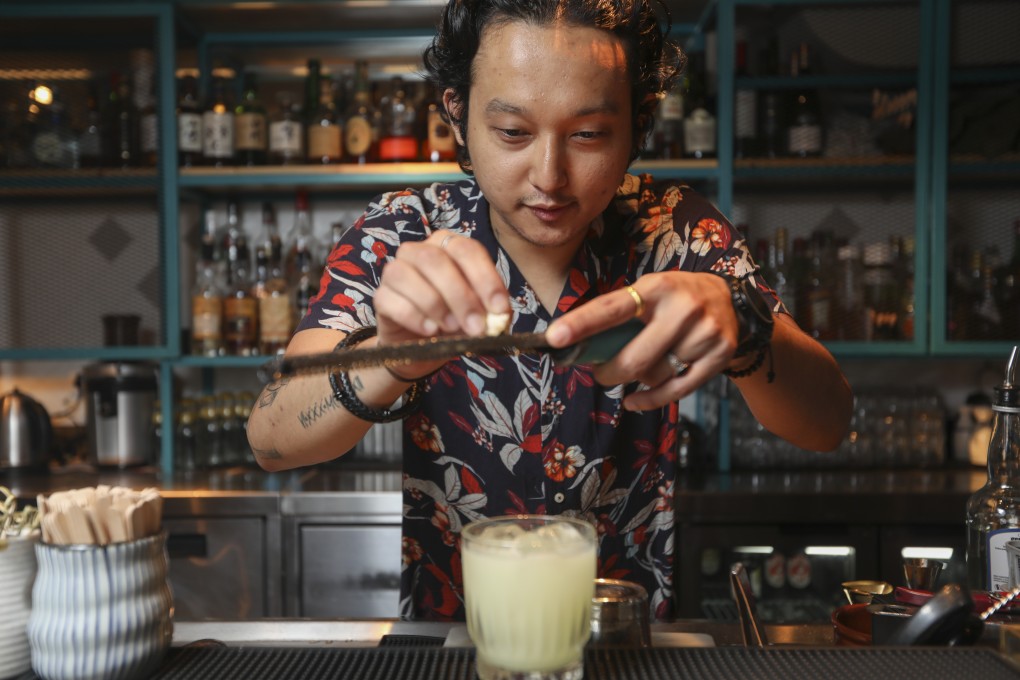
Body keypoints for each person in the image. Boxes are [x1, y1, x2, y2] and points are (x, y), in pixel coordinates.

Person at [247, 0, 853, 621]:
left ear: (639, 122)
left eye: (588, 135)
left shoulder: (677, 232)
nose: (549, 177)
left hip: (624, 636)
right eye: (513, 132)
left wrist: (746, 325)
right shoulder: (402, 230)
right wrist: (392, 358)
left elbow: (828, 422)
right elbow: (271, 441)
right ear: (457, 112)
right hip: (456, 637)